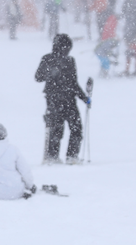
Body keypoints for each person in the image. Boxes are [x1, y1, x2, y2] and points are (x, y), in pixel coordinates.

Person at [35, 34, 90, 165]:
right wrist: (84, 98)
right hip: (61, 100)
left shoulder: (60, 60)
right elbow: (38, 77)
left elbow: (72, 82)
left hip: (59, 100)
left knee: (61, 128)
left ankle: (57, 156)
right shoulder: (53, 59)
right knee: (68, 128)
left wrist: (84, 98)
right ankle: (66, 156)